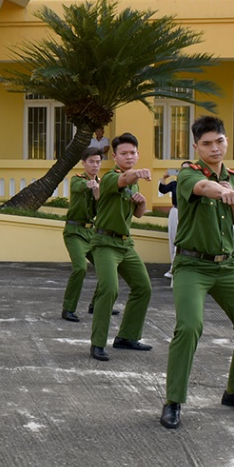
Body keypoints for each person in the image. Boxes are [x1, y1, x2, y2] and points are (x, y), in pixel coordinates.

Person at [160, 116, 234, 430]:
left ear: (226, 141)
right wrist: (220, 192)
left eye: (219, 141)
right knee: (190, 326)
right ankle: (173, 401)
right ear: (196, 146)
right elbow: (202, 187)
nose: (214, 148)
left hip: (226, 266)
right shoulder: (187, 173)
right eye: (207, 143)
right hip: (192, 265)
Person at [88, 133, 153, 361]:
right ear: (114, 156)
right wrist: (138, 173)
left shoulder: (132, 182)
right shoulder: (108, 178)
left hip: (125, 243)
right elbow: (123, 180)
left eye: (132, 153)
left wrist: (142, 204)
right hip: (105, 243)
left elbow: (136, 214)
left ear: (138, 154)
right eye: (123, 153)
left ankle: (127, 336)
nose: (129, 156)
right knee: (109, 289)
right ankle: (97, 343)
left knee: (143, 287)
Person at [60, 149, 103, 323]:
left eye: (98, 162)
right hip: (74, 232)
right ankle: (68, 309)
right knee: (80, 268)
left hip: (91, 232)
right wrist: (89, 185)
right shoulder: (77, 179)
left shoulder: (102, 183)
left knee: (107, 267)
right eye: (91, 162)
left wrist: (98, 193)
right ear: (83, 163)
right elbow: (78, 187)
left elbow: (102, 207)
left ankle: (96, 304)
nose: (95, 165)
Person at [158, 172, 179, 280]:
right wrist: (163, 178)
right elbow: (162, 190)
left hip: (189, 213)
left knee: (182, 240)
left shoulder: (195, 184)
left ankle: (175, 268)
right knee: (173, 238)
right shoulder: (174, 184)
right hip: (176, 211)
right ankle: (173, 266)